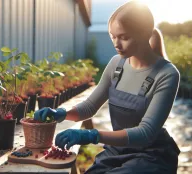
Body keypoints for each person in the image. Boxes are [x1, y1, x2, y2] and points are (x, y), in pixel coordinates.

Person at [34, 1, 180, 173]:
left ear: (145, 33)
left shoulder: (166, 74)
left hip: (151, 155)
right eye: (113, 36)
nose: (116, 44)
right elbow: (89, 107)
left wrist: (92, 135)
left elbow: (145, 133)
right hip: (118, 150)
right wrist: (61, 114)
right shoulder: (116, 65)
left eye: (124, 37)